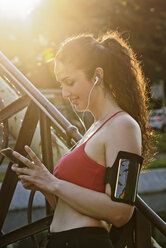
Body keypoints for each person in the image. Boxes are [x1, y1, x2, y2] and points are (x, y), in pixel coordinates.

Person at [11, 31, 153, 248]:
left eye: (70, 82)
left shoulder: (123, 126)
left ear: (97, 75)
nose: (65, 93)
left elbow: (121, 211)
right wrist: (43, 184)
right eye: (61, 84)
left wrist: (54, 183)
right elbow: (72, 204)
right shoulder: (94, 128)